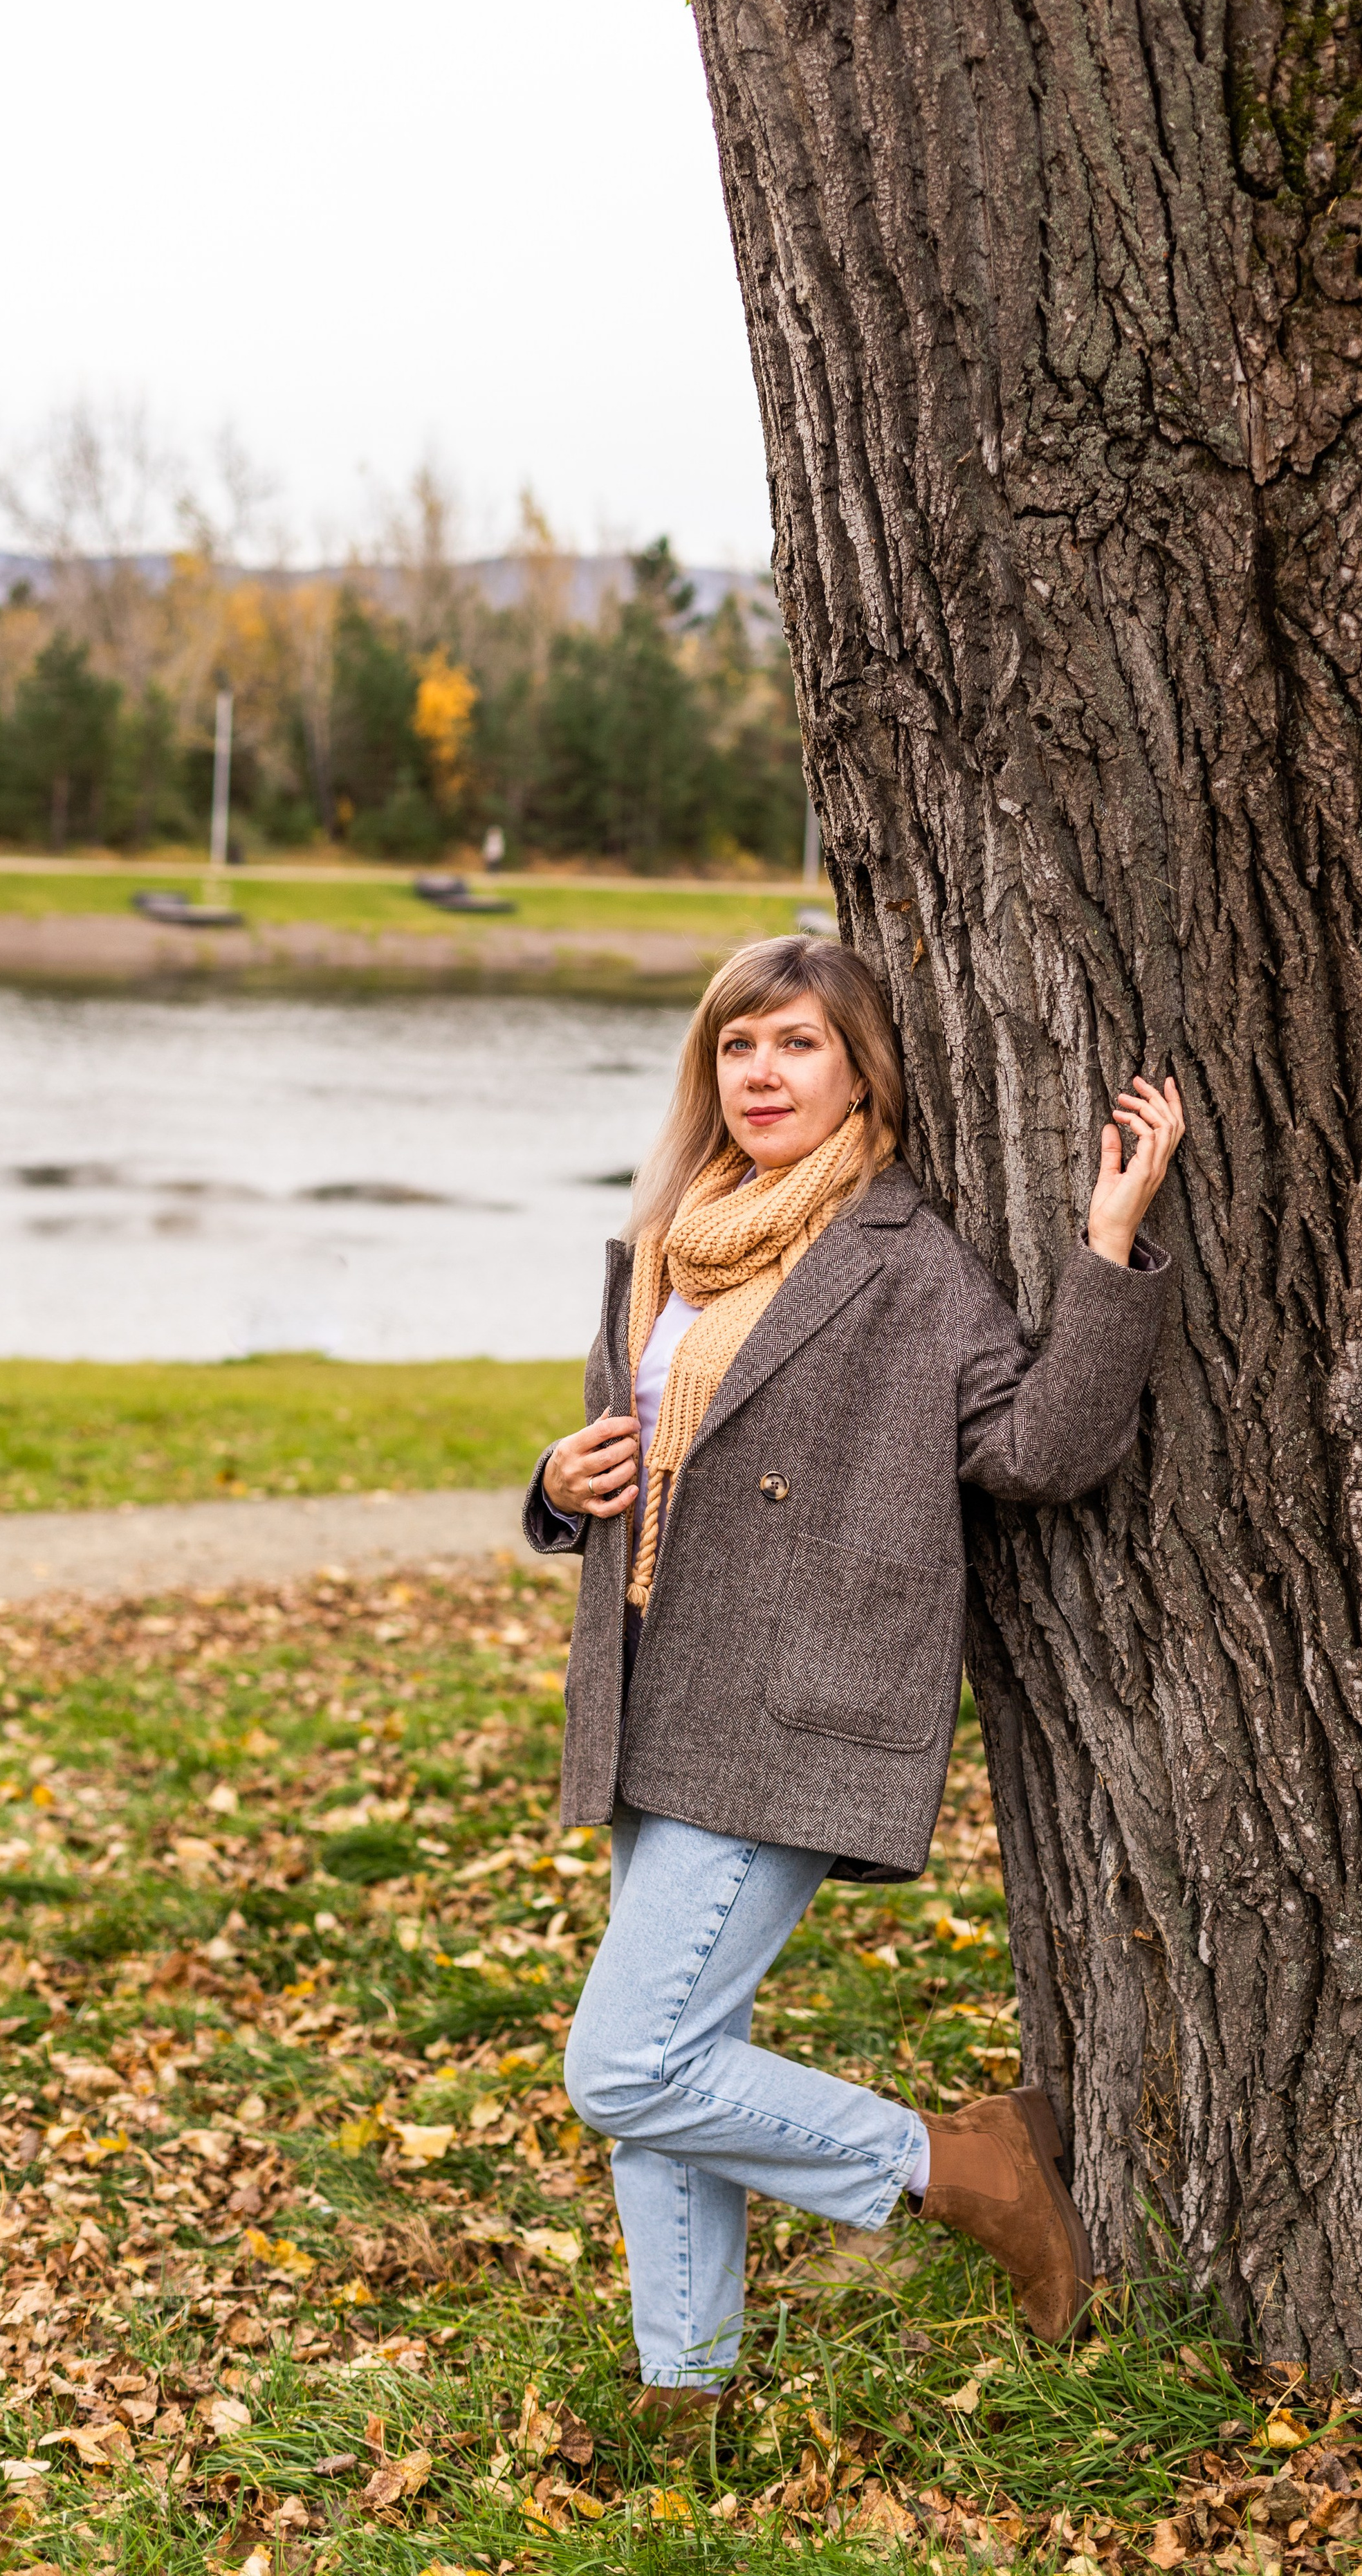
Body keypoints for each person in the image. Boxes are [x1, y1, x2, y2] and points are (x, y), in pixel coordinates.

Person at [523, 934, 1181, 2447]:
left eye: (797, 1044)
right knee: (672, 2063)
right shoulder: (673, 1241)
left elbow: (1035, 1452)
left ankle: (961, 2172)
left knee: (626, 2065)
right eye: (738, 1046)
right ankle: (683, 2397)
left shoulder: (903, 1257)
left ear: (861, 1072)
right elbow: (629, 1456)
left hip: (790, 1707)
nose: (761, 1074)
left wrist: (1106, 1253)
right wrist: (557, 1487)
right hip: (649, 1693)